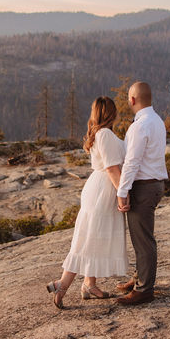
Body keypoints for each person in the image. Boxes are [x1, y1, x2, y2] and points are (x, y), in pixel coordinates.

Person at [47, 97, 128, 309]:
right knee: (90, 238)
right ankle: (62, 284)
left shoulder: (99, 133)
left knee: (95, 236)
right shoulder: (106, 135)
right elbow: (112, 168)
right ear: (112, 113)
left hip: (98, 187)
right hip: (105, 188)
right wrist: (123, 193)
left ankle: (89, 285)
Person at [114, 81, 168, 306]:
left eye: (128, 97)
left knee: (143, 240)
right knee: (142, 237)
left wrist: (122, 190)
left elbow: (132, 162)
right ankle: (139, 279)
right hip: (155, 184)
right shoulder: (157, 121)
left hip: (143, 187)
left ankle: (145, 289)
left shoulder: (140, 125)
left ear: (133, 100)